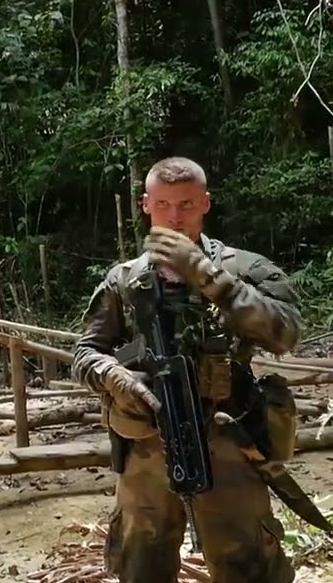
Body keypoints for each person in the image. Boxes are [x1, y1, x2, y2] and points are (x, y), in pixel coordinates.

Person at [71, 156, 304, 583]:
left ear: (206, 204)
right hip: (147, 448)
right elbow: (86, 351)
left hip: (229, 441)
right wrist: (113, 377)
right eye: (163, 205)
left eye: (186, 205)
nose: (174, 217)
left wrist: (211, 278)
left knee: (247, 562)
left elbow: (286, 332)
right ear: (145, 205)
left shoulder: (244, 270)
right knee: (142, 563)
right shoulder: (126, 280)